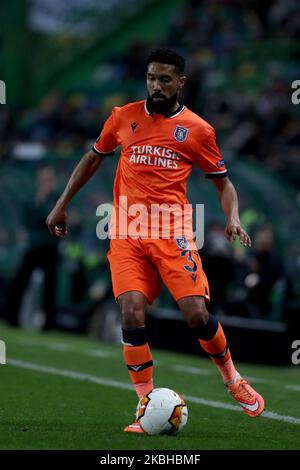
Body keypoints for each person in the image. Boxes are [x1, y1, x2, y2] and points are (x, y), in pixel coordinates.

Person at [46, 48, 264, 433]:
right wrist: (62, 204)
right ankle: (145, 405)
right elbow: (93, 158)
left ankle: (233, 380)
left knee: (196, 314)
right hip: (127, 233)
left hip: (173, 232)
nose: (156, 86)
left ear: (181, 82)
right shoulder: (122, 117)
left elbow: (223, 182)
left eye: (165, 79)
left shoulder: (198, 129)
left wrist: (231, 216)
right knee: (131, 312)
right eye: (151, 78)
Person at [6, 166, 59, 330]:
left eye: (49, 179)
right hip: (33, 247)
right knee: (20, 282)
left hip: (49, 247)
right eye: (43, 178)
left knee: (50, 288)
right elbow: (26, 221)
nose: (46, 182)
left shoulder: (56, 199)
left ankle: (48, 324)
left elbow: (51, 219)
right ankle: (12, 318)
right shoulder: (31, 199)